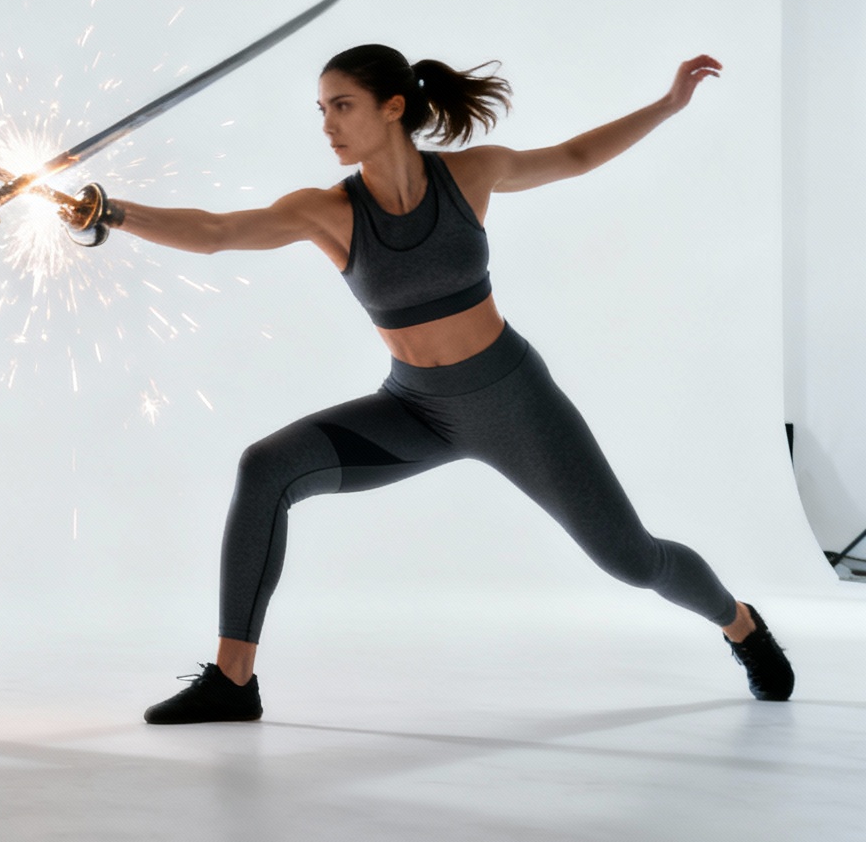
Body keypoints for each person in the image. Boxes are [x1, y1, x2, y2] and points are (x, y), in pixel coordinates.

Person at [80, 45, 794, 724]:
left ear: (393, 107)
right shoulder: (327, 210)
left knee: (632, 559)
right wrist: (112, 213)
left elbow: (574, 157)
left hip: (514, 400)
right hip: (414, 409)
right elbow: (215, 231)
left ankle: (741, 624)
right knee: (266, 466)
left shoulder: (470, 175)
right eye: (321, 110)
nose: (327, 125)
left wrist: (669, 103)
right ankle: (233, 680)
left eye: (341, 106)